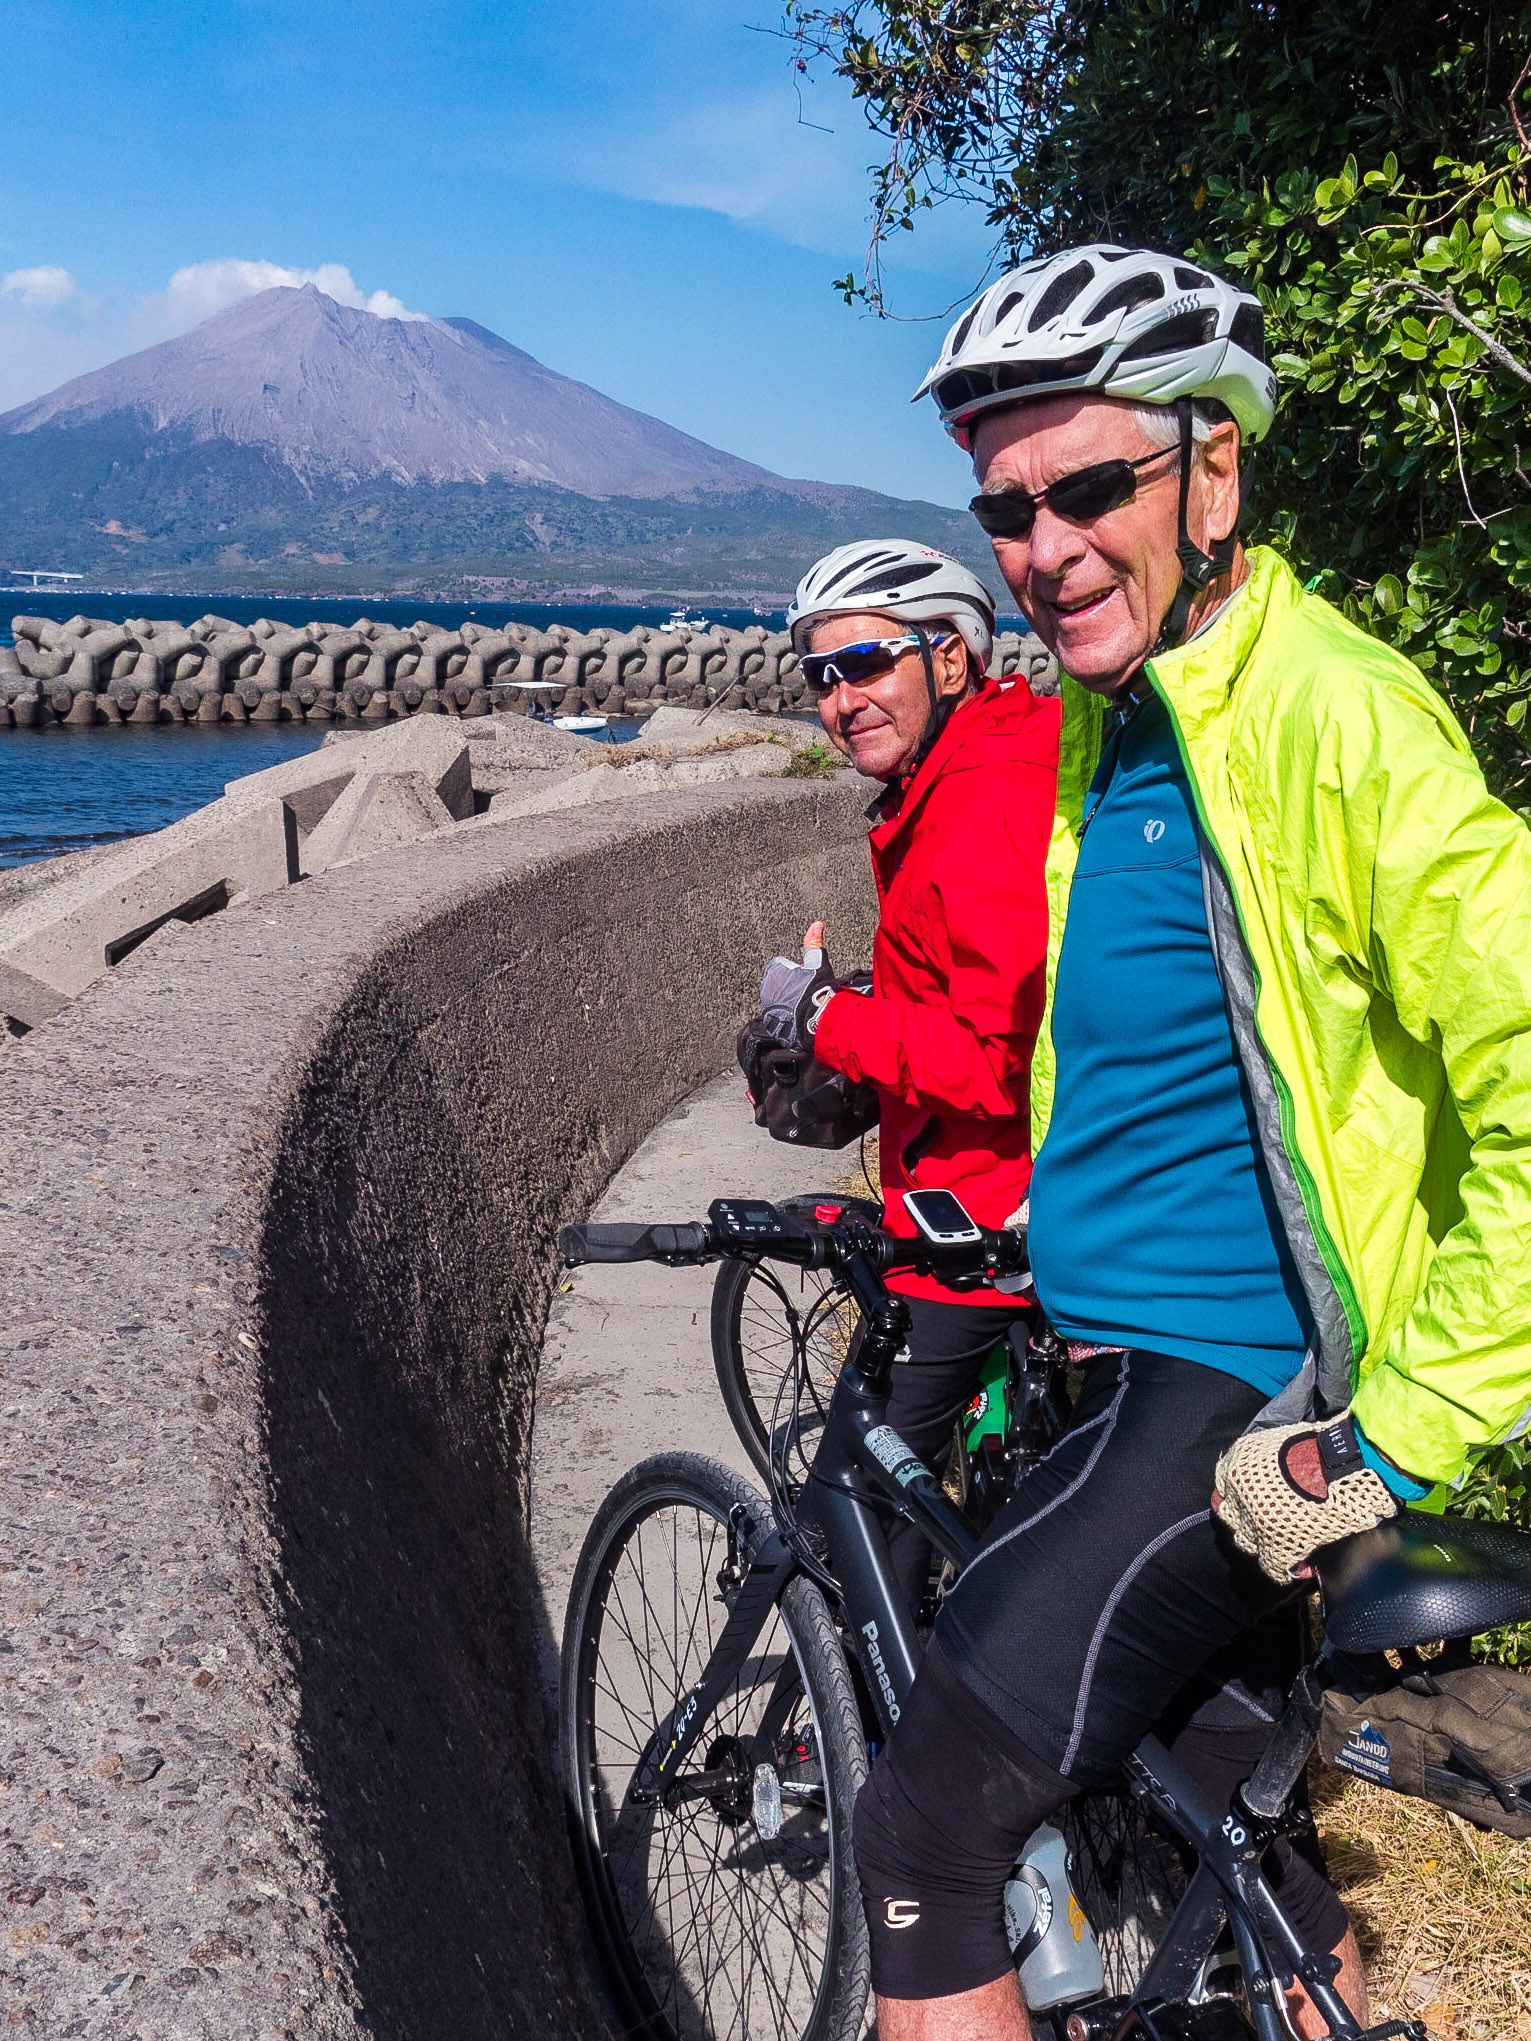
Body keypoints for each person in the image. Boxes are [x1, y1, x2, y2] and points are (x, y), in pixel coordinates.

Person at [853, 243, 1531, 2041]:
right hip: (1127, 1366)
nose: (1044, 546)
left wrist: (1390, 1440)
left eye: (1088, 489)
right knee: (1232, 1840)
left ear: (1210, 471)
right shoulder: (1131, 714)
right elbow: (1175, 1066)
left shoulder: (1330, 715)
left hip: (1228, 1406)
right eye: (1004, 508)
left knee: (924, 1830)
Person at [745, 539, 1059, 1615]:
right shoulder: (978, 764)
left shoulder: (980, 799)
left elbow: (986, 1058)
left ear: (951, 658)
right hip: (1014, 1204)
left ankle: (892, 1706)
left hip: (980, 1225)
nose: (842, 699)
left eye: (868, 662)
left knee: (859, 1516)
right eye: (821, 675)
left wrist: (824, 1015)